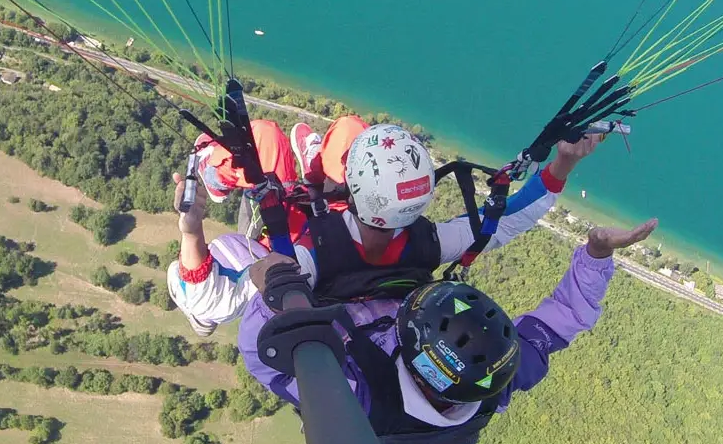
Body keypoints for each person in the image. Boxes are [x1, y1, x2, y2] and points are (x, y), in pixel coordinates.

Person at [238, 216, 658, 444]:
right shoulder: (497, 379)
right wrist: (596, 254)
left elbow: (264, 354)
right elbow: (566, 316)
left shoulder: (356, 396)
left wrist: (274, 289)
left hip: (328, 292)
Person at [167, 117, 603, 335]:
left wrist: (192, 230)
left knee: (260, 135)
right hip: (327, 217)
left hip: (283, 237)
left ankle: (228, 176)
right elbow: (506, 222)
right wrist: (562, 163)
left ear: (352, 189)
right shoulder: (431, 242)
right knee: (351, 130)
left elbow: (213, 299)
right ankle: (316, 170)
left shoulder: (302, 261)